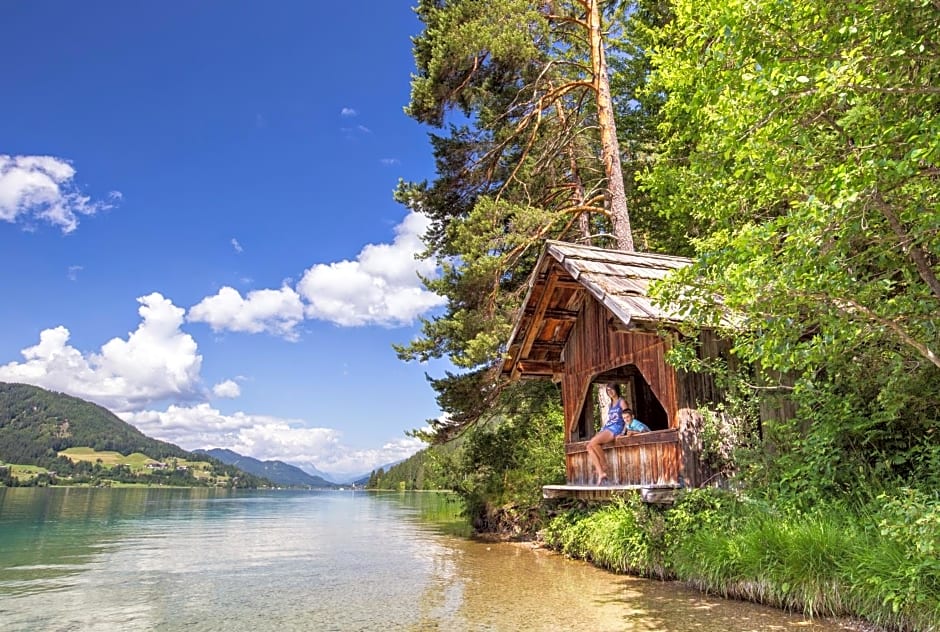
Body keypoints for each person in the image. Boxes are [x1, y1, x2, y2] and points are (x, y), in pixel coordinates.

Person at [587, 383, 629, 486]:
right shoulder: (610, 405)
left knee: (594, 443)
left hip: (616, 428)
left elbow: (628, 417)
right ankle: (601, 472)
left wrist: (623, 432)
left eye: (611, 389)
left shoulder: (621, 402)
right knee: (589, 446)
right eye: (608, 390)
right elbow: (610, 420)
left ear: (616, 389)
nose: (610, 392)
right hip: (608, 427)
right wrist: (602, 430)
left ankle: (604, 465)